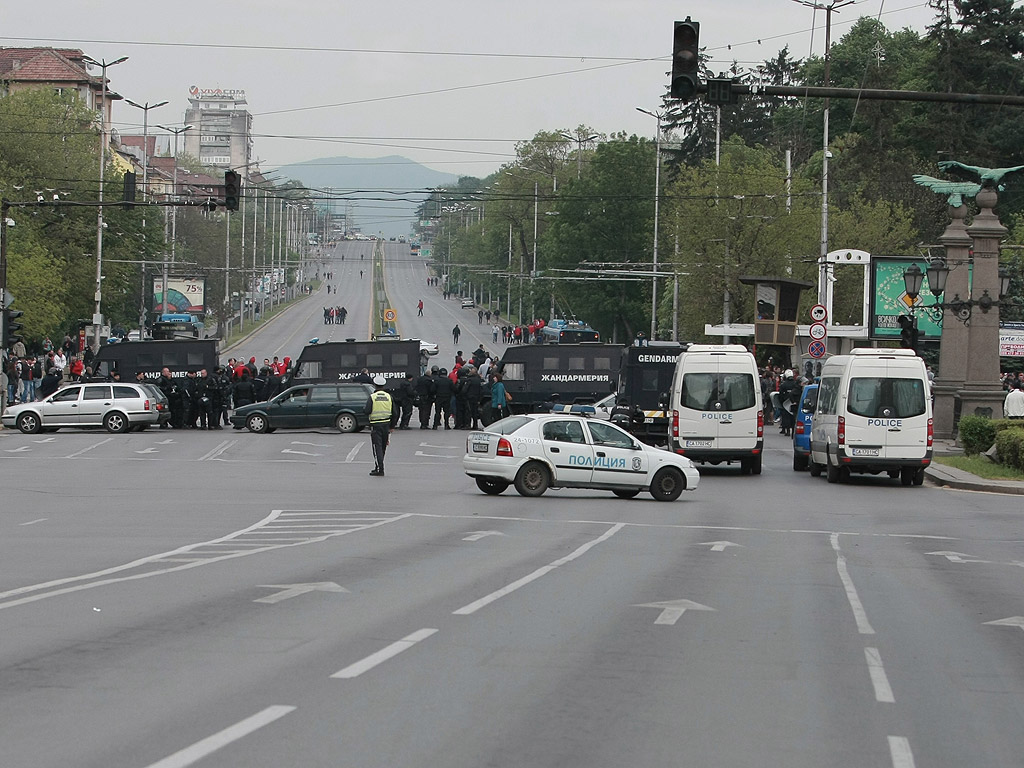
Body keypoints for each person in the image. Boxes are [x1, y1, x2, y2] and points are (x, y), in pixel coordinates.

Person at [365, 374, 397, 476]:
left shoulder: (372, 397)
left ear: (375, 385)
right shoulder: (389, 397)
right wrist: (392, 426)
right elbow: (395, 413)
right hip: (386, 425)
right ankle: (379, 466)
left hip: (375, 425)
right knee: (383, 446)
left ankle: (380, 469)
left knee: (377, 447)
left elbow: (367, 411)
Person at [778, 369, 801, 436]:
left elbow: (781, 394)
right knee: (793, 417)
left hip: (785, 402)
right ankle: (793, 430)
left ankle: (787, 430)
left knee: (786, 416)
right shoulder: (795, 383)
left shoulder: (783, 384)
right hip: (794, 402)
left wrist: (782, 401)